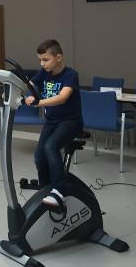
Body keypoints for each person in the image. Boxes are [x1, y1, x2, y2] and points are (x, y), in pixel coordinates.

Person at [25, 39, 83, 209]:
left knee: (50, 147)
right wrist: (24, 91)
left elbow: (62, 97)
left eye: (45, 59)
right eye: (40, 60)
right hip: (51, 122)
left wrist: (38, 102)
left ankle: (59, 191)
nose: (42, 64)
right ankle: (45, 187)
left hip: (70, 122)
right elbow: (29, 85)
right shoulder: (43, 73)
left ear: (58, 57)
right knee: (39, 155)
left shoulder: (71, 75)